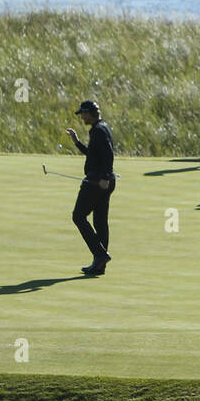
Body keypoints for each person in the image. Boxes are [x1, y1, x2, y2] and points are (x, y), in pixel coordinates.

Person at [64, 100, 116, 275]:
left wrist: (105, 177)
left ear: (88, 113)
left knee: (78, 216)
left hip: (97, 182)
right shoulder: (101, 128)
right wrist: (77, 142)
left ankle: (100, 255)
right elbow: (94, 155)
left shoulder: (99, 131)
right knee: (100, 222)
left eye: (82, 114)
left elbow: (109, 155)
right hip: (102, 182)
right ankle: (99, 264)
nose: (81, 117)